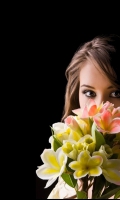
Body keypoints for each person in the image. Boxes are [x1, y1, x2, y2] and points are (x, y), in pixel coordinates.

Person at [37, 34, 120, 199]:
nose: (101, 107)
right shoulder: (68, 166)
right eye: (89, 93)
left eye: (116, 93)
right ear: (76, 96)